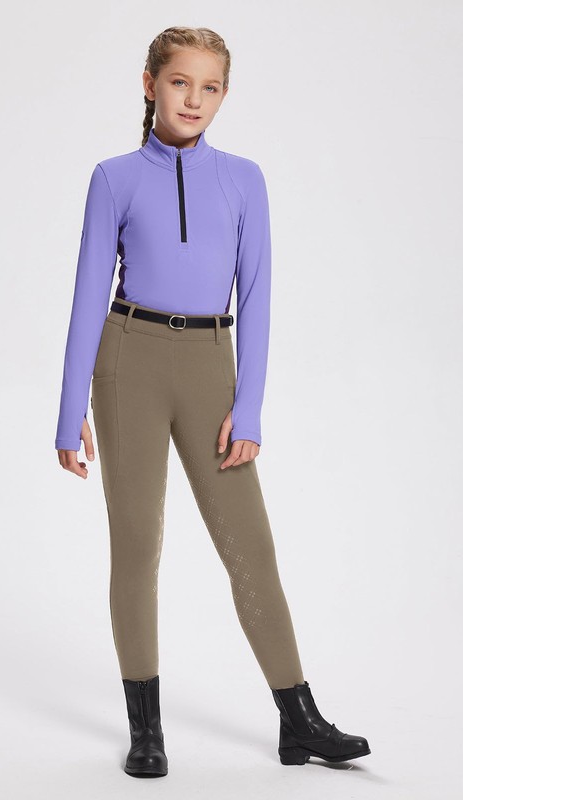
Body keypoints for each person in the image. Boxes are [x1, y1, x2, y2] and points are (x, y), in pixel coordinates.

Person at [54, 26, 370, 777]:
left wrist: (249, 406)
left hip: (209, 365)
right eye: (179, 82)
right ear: (149, 84)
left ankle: (298, 719)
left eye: (210, 87)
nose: (194, 99)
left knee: (250, 547)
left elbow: (256, 295)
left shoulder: (244, 180)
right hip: (127, 361)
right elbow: (88, 293)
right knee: (137, 544)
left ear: (224, 94)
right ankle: (146, 730)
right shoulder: (114, 179)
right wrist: (70, 411)